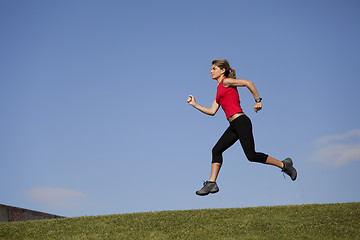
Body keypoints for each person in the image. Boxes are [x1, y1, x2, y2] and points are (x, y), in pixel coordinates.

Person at [187, 59, 297, 196]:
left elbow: (248, 83)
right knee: (216, 150)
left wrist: (258, 101)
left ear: (222, 71)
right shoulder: (219, 90)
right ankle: (211, 183)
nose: (211, 71)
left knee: (251, 155)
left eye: (214, 68)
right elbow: (212, 111)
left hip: (241, 121)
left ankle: (284, 165)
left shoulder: (226, 82)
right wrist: (195, 104)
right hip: (233, 125)